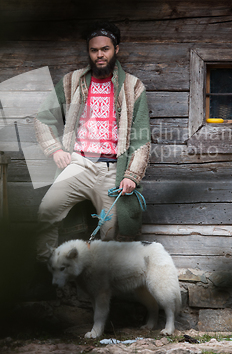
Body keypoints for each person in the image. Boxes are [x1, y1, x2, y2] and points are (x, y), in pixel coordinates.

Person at [34, 21, 151, 261]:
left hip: (112, 171)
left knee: (110, 233)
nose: (100, 55)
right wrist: (55, 149)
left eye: (105, 49)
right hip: (78, 164)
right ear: (89, 52)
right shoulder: (72, 81)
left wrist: (131, 175)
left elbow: (141, 138)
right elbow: (42, 117)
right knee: (46, 211)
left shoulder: (133, 86)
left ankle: (100, 285)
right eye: (94, 50)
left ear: (116, 49)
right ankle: (44, 269)